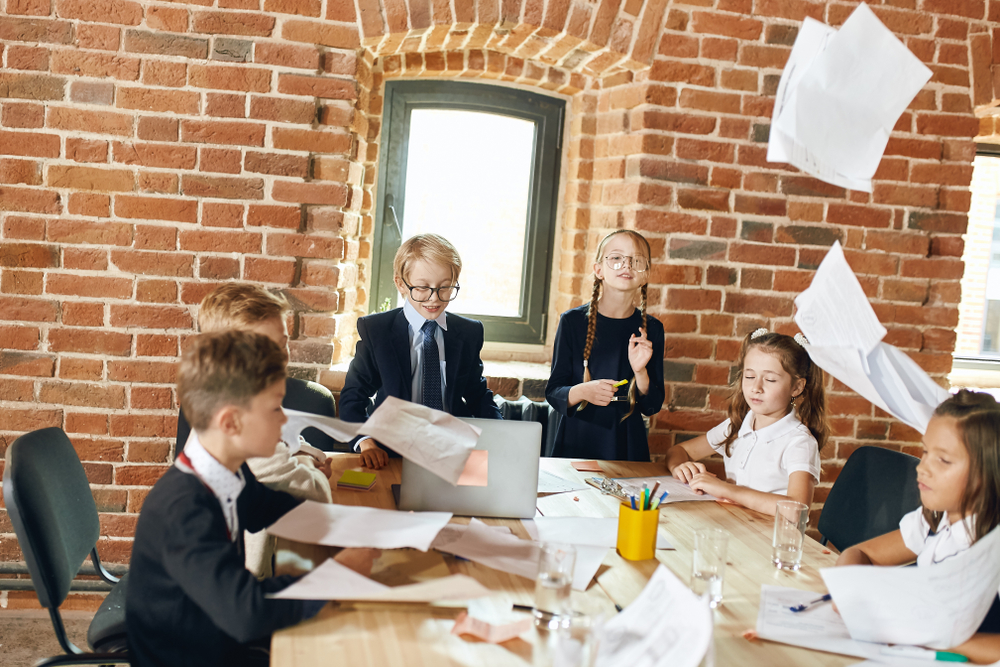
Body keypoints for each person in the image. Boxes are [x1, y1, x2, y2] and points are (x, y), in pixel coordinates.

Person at [127, 331, 378, 667]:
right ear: (231, 422)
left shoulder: (228, 473)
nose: (285, 420)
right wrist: (338, 573)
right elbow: (247, 614)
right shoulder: (184, 510)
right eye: (275, 408)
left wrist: (365, 527)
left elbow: (277, 509)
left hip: (220, 642)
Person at [174, 283, 334, 577]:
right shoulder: (243, 427)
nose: (280, 357)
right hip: (241, 578)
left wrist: (302, 457)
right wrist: (308, 465)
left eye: (283, 344)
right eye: (266, 350)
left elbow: (287, 440)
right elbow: (317, 498)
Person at [834, 390, 1000, 664]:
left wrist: (925, 636)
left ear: (988, 471)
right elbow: (861, 553)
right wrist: (850, 592)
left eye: (943, 460)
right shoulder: (934, 519)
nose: (922, 468)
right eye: (925, 451)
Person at [340, 233, 502, 469]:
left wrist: (503, 436)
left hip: (453, 453)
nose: (434, 298)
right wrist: (366, 442)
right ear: (401, 284)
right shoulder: (377, 331)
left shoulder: (468, 332)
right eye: (423, 287)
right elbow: (353, 397)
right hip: (392, 454)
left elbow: (477, 395)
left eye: (445, 287)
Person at [665, 329, 828, 514]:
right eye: (749, 377)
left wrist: (725, 489)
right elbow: (679, 451)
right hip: (731, 522)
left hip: (765, 532)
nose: (756, 387)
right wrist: (680, 467)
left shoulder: (799, 442)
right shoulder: (737, 424)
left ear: (797, 387)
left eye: (770, 379)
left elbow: (796, 509)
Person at [545, 229, 665, 461]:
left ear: (646, 274)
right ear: (598, 270)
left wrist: (640, 372)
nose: (626, 264)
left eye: (636, 260)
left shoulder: (653, 329)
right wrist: (583, 391)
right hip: (578, 438)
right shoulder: (572, 322)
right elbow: (553, 392)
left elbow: (652, 406)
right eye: (617, 257)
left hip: (627, 441)